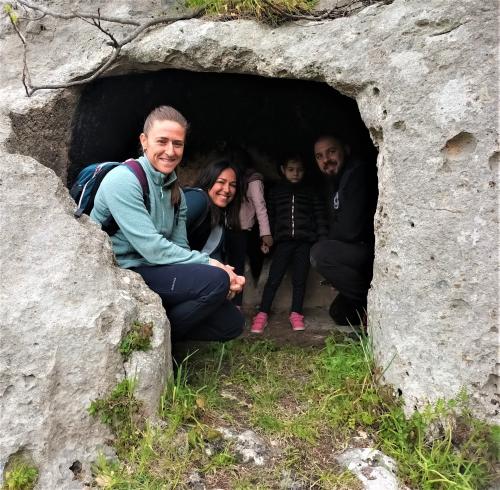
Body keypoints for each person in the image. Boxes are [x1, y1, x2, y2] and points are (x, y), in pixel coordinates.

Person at [90, 105, 245, 342]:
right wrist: (213, 266)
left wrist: (223, 274)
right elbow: (151, 248)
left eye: (178, 144)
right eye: (162, 141)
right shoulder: (124, 180)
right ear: (144, 141)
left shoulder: (176, 193)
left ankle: (162, 328)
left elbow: (180, 249)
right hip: (121, 270)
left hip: (154, 269)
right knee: (215, 281)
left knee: (232, 323)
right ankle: (158, 342)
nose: (170, 151)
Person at [250, 157, 327, 333]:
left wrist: (322, 240)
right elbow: (269, 217)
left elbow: (320, 216)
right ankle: (262, 313)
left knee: (300, 280)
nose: (295, 173)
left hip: (304, 243)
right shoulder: (277, 192)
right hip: (283, 243)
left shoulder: (310, 191)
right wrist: (266, 239)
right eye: (291, 169)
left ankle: (296, 313)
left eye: (299, 169)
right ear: (283, 170)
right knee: (273, 279)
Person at [310, 134, 377, 326]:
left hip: (369, 251)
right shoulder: (337, 182)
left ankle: (373, 303)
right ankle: (365, 307)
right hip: (357, 252)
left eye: (331, 151)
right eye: (319, 156)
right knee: (340, 313)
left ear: (345, 150)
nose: (326, 159)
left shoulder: (357, 172)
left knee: (321, 254)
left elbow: (350, 230)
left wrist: (335, 258)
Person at [226, 163, 273, 308]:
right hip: (228, 228)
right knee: (229, 265)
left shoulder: (253, 181)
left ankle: (236, 305)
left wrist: (265, 233)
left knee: (237, 267)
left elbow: (260, 207)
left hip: (243, 230)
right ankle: (231, 305)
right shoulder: (233, 179)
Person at [185, 159, 242, 262]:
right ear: (208, 181)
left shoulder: (220, 213)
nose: (227, 190)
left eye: (233, 185)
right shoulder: (198, 199)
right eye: (221, 182)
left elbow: (213, 254)